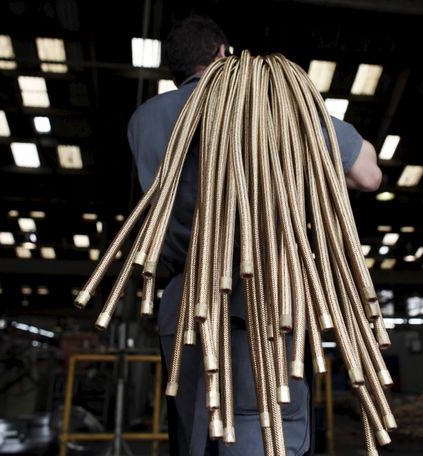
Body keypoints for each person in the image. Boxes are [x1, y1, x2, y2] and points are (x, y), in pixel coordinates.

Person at [127, 14, 382, 456]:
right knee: (261, 430)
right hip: (264, 301)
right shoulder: (273, 103)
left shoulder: (145, 119)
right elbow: (367, 175)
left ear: (175, 69)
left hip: (183, 304)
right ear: (223, 53)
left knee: (195, 437)